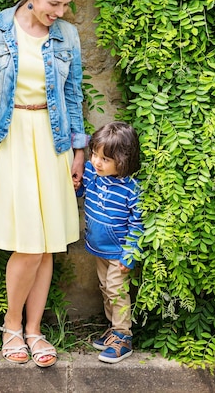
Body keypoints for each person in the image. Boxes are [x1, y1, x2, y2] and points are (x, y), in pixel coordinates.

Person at [0, 0, 88, 368]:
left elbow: (73, 95)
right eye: (54, 4)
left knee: (47, 242)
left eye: (66, 5)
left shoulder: (67, 35)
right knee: (29, 242)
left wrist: (79, 149)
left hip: (52, 141)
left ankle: (34, 330)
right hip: (7, 135)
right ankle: (12, 325)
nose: (61, 13)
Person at [76, 121, 143, 364]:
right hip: (98, 249)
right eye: (94, 154)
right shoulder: (94, 175)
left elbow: (138, 225)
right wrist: (76, 185)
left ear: (123, 161)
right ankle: (114, 329)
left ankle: (124, 337)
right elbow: (81, 191)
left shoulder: (131, 190)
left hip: (118, 252)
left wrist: (130, 254)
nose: (96, 161)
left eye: (104, 159)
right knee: (106, 289)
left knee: (116, 291)